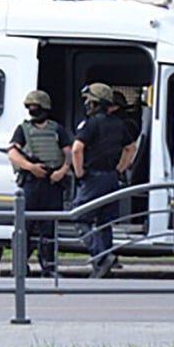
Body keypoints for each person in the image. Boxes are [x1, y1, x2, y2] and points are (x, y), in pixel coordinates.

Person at [71, 83, 135, 279]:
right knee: (104, 222)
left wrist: (79, 171)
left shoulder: (90, 123)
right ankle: (104, 262)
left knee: (80, 217)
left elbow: (76, 149)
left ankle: (100, 257)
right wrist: (120, 169)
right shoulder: (119, 124)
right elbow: (131, 148)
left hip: (93, 178)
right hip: (111, 178)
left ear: (94, 102)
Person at [7, 90, 72, 278]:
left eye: (36, 107)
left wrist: (62, 171)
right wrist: (31, 167)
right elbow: (13, 153)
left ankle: (49, 267)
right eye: (31, 107)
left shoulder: (57, 129)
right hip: (31, 183)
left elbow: (67, 151)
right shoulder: (23, 130)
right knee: (24, 229)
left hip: (52, 184)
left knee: (49, 229)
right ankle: (20, 266)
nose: (33, 110)